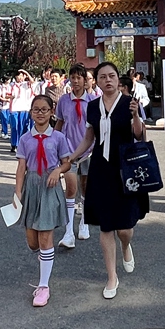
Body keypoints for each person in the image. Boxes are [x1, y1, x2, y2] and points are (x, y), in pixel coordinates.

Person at [67, 62, 148, 300]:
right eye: (102, 77)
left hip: (125, 168)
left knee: (125, 228)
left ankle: (125, 245)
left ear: (118, 79)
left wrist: (135, 115)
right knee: (105, 225)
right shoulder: (92, 106)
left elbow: (139, 135)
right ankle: (112, 276)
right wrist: (72, 157)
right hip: (101, 169)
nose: (108, 80)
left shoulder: (129, 103)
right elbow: (88, 138)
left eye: (111, 76)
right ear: (96, 81)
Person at [14, 95, 73, 307]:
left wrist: (58, 170)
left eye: (44, 109)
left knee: (46, 236)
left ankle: (43, 286)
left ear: (51, 112)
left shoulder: (58, 137)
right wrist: (17, 193)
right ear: (31, 113)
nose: (40, 113)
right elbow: (21, 167)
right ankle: (44, 256)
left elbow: (67, 162)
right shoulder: (25, 139)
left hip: (49, 187)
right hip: (31, 187)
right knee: (33, 242)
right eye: (36, 109)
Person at [54, 63, 98, 245]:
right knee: (71, 188)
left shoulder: (94, 101)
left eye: (79, 77)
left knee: (85, 186)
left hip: (88, 151)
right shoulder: (64, 100)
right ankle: (68, 232)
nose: (76, 81)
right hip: (68, 151)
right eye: (73, 77)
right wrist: (52, 144)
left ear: (86, 80)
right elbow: (59, 123)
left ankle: (84, 222)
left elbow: (97, 127)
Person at [8, 69, 34, 154]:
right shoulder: (11, 85)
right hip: (14, 108)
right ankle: (14, 144)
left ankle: (21, 144)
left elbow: (32, 81)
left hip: (24, 108)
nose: (20, 77)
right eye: (18, 75)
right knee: (14, 126)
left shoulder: (26, 84)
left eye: (21, 76)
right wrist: (10, 96)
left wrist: (26, 72)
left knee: (22, 127)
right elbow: (7, 95)